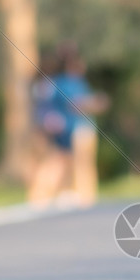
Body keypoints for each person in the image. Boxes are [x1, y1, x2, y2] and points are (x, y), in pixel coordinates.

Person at [27, 42, 109, 208]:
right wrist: (97, 103)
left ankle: (50, 195)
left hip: (66, 129)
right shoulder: (68, 82)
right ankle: (84, 197)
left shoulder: (55, 82)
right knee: (79, 163)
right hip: (77, 128)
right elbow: (76, 104)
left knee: (63, 163)